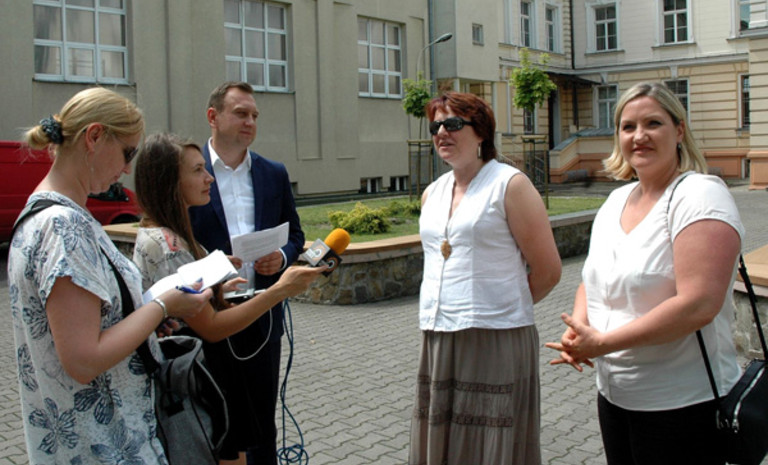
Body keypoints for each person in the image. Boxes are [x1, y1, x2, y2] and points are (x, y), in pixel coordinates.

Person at [8, 88, 212, 464]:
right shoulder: (63, 227)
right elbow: (84, 360)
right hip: (103, 445)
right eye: (127, 153)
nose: (127, 168)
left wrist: (144, 318)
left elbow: (87, 327)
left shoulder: (48, 214)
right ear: (95, 137)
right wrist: (163, 306)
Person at [545, 82, 744, 465]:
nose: (639, 136)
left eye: (653, 123)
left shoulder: (700, 196)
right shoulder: (616, 200)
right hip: (616, 398)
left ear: (679, 130)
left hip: (683, 405)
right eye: (628, 126)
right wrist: (580, 327)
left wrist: (603, 343)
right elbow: (592, 278)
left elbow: (698, 304)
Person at [409, 91, 562, 465]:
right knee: (444, 441)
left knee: (490, 445)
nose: (441, 132)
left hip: (495, 336)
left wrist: (499, 304)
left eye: (452, 124)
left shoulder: (510, 185)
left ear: (480, 131)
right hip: (439, 334)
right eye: (435, 126)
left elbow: (548, 271)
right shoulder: (432, 193)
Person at [188, 82, 305, 465]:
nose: (250, 121)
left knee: (261, 424)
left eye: (254, 115)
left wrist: (282, 258)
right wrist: (211, 270)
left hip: (262, 317)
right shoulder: (190, 172)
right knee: (218, 427)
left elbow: (296, 234)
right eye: (240, 113)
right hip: (208, 318)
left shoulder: (273, 173)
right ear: (213, 116)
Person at [132, 132, 323, 344]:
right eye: (197, 170)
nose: (209, 178)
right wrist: (280, 290)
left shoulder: (169, 234)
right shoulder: (168, 245)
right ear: (169, 181)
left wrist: (216, 290)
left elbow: (181, 304)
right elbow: (211, 327)